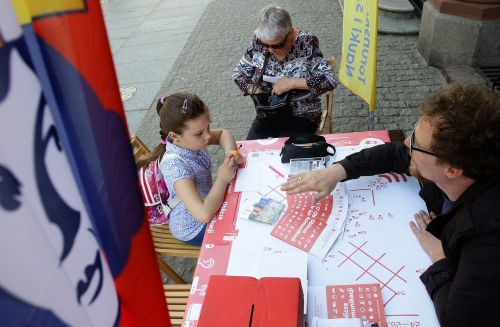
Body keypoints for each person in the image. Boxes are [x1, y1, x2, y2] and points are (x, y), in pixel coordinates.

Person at [281, 84, 500, 326]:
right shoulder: (453, 164)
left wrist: (440, 257)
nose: (407, 142)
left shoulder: (486, 235)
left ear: (451, 169)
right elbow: (393, 154)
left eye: (415, 143)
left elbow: (458, 319)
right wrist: (336, 171)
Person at [137, 92, 242, 246]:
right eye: (199, 133)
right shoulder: (174, 167)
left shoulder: (190, 139)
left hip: (209, 202)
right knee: (243, 232)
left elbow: (223, 134)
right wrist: (221, 179)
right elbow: (204, 215)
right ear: (174, 136)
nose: (207, 136)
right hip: (194, 227)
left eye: (208, 127)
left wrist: (230, 152)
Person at [232, 5, 337, 140]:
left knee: (286, 152)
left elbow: (329, 80)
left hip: (302, 114)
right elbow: (238, 74)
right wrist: (256, 91)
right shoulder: (258, 42)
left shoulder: (306, 43)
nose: (270, 50)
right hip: (269, 113)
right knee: (252, 150)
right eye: (265, 44)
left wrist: (291, 83)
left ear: (290, 33)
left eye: (277, 45)